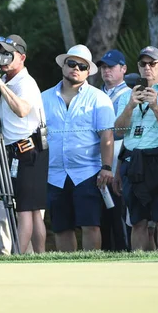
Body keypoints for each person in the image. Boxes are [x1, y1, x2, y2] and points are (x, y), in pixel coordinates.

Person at [42, 44, 115, 252]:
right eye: (71, 63)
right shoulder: (43, 98)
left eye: (82, 66)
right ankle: (67, 270)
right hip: (54, 173)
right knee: (61, 227)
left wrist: (107, 167)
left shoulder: (99, 98)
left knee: (91, 225)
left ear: (88, 72)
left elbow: (107, 135)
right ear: (63, 66)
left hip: (88, 172)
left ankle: (92, 269)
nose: (76, 68)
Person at [114, 46, 158, 251]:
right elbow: (119, 130)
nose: (147, 68)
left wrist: (155, 106)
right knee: (137, 220)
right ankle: (137, 264)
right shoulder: (127, 96)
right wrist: (130, 106)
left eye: (152, 64)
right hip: (133, 160)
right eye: (143, 64)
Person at [0, 35, 49, 254]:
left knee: (25, 210)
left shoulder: (24, 82)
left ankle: (20, 256)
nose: (2, 59)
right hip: (19, 150)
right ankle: (38, 256)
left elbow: (22, 110)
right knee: (31, 211)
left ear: (22, 57)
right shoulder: (10, 81)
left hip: (30, 149)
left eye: (8, 54)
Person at [96, 49, 129, 251]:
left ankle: (124, 253)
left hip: (119, 160)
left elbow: (123, 132)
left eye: (111, 66)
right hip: (98, 162)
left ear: (123, 69)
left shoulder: (129, 95)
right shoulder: (96, 94)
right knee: (102, 218)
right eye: (103, 67)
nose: (106, 70)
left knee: (120, 215)